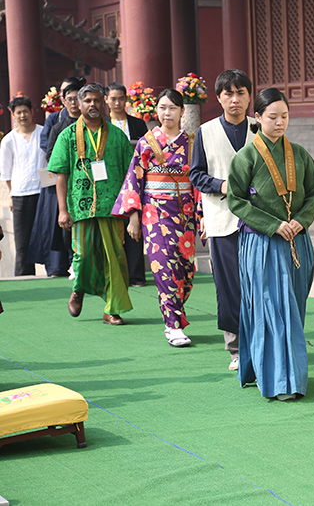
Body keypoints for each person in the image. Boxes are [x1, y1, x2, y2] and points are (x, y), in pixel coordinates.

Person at [227, 88, 314, 399]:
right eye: (273, 117)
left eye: (285, 116)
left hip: (297, 243)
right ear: (258, 118)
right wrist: (272, 225)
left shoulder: (300, 154)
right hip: (262, 245)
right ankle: (283, 382)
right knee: (270, 310)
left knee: (293, 308)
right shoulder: (246, 157)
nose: (280, 123)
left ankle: (283, 371)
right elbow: (236, 201)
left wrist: (302, 220)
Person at [113, 89, 200, 346]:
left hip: (185, 214)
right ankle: (172, 325)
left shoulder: (193, 142)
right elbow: (134, 180)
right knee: (163, 267)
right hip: (155, 215)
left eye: (173, 108)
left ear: (182, 111)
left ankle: (176, 309)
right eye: (162, 108)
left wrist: (202, 214)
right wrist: (134, 217)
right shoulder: (145, 142)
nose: (167, 113)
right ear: (157, 111)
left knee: (185, 271)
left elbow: (198, 182)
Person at [48, 82, 133, 325]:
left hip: (113, 207)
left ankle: (111, 308)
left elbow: (130, 174)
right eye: (88, 101)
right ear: (79, 104)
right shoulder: (67, 136)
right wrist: (63, 210)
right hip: (81, 206)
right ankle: (79, 289)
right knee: (83, 255)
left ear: (104, 103)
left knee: (114, 258)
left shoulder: (117, 136)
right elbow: (61, 174)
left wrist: (131, 208)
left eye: (97, 100)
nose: (93, 105)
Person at [189, 69, 255, 370]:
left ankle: (262, 343)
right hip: (222, 218)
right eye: (228, 93)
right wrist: (221, 185)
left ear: (249, 96)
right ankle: (236, 348)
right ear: (219, 98)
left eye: (241, 93)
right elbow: (196, 174)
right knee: (229, 285)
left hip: (260, 220)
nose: (235, 99)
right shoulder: (206, 131)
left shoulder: (261, 127)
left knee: (258, 283)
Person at [29, 78, 84, 276]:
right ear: (63, 99)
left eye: (78, 98)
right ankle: (62, 265)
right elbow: (49, 151)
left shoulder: (92, 123)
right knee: (60, 223)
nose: (74, 102)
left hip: (86, 182)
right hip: (60, 180)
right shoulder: (55, 122)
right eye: (70, 98)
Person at [106, 82, 149, 287]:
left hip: (134, 180)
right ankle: (114, 276)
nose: (116, 102)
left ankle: (136, 276)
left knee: (134, 226)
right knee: (111, 231)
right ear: (106, 100)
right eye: (113, 98)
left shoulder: (138, 124)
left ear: (126, 100)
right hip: (109, 181)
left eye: (120, 98)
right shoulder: (102, 123)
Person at [0, 96, 45, 275]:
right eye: (18, 112)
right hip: (20, 194)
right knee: (22, 241)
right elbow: (6, 171)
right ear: (13, 115)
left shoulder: (43, 133)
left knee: (46, 236)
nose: (23, 115)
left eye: (25, 111)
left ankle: (55, 272)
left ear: (31, 111)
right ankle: (23, 276)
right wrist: (11, 195)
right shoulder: (9, 140)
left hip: (43, 192)